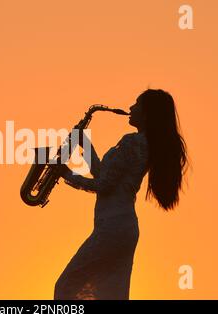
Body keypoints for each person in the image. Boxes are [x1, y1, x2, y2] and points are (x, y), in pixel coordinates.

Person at [53, 89, 189, 300]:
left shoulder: (132, 142)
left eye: (137, 104)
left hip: (112, 228)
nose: (131, 108)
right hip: (121, 228)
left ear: (146, 113)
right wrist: (85, 145)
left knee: (65, 287)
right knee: (109, 295)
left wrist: (65, 173)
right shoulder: (143, 144)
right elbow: (105, 176)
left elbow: (104, 185)